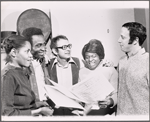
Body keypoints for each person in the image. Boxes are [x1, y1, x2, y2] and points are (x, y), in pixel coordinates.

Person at [1, 35, 53, 116]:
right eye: (27, 51)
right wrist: (38, 111)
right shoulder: (8, 76)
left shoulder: (22, 71)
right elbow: (7, 113)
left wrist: (37, 104)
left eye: (30, 51)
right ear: (14, 53)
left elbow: (21, 103)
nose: (31, 55)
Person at [117, 22, 149, 115]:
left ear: (135, 40)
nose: (119, 40)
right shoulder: (121, 61)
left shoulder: (147, 60)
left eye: (122, 37)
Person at [79, 39, 118, 116]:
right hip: (87, 114)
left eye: (93, 56)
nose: (90, 60)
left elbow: (117, 93)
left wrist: (110, 101)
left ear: (100, 56)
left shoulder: (109, 70)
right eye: (87, 57)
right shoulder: (82, 72)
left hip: (106, 114)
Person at [22, 27, 51, 102]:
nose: (43, 48)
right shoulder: (23, 66)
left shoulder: (44, 61)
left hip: (46, 105)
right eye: (38, 45)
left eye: (44, 44)